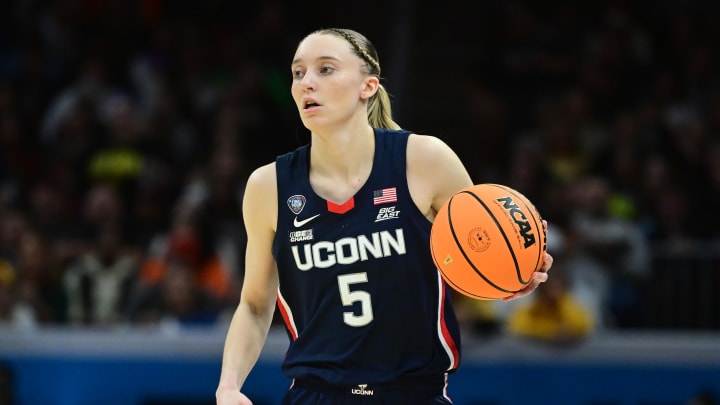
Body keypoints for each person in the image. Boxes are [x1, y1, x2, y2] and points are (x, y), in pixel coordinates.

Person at [215, 28, 553, 405]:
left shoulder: (425, 160)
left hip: (415, 394)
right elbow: (254, 304)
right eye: (298, 73)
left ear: (368, 86)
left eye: (325, 69)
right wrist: (229, 385)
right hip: (316, 395)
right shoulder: (268, 186)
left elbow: (480, 247)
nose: (306, 82)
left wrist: (512, 274)